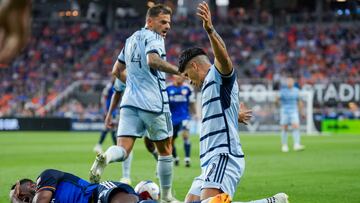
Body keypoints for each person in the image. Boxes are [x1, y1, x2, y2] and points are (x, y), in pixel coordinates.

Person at [178, 2, 288, 203]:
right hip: (209, 159)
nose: (188, 80)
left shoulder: (216, 75)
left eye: (187, 74)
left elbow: (225, 59)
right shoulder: (209, 87)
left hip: (222, 154)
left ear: (194, 66)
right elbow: (223, 109)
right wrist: (233, 114)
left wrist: (210, 30)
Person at [90, 4, 181, 203]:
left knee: (123, 150)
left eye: (169, 23)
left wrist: (132, 82)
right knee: (165, 151)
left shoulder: (130, 39)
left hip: (129, 103)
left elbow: (116, 70)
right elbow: (153, 61)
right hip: (153, 103)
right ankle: (166, 196)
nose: (167, 27)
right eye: (163, 22)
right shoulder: (154, 37)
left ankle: (106, 156)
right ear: (150, 21)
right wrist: (179, 71)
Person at [104, 77, 159, 185]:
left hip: (149, 110)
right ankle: (126, 176)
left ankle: (159, 161)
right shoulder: (122, 75)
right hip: (129, 113)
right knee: (126, 145)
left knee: (150, 145)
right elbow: (116, 94)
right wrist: (109, 113)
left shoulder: (147, 71)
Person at [9, 169, 157, 203]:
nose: (19, 199)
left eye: (19, 194)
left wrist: (15, 200)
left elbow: (41, 200)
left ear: (31, 185)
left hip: (97, 193)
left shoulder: (46, 176)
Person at [166, 75, 196, 167]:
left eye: (182, 77)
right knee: (171, 140)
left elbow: (192, 102)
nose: (181, 78)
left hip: (184, 116)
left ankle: (187, 159)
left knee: (185, 135)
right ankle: (175, 158)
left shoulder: (187, 88)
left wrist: (195, 114)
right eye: (179, 76)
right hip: (172, 117)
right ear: (174, 77)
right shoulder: (168, 88)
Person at [277, 76, 305, 152]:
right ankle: (284, 145)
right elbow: (277, 100)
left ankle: (296, 144)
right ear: (286, 83)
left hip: (294, 111)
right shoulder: (282, 91)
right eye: (288, 81)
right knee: (284, 128)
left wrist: (302, 112)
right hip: (285, 111)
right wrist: (277, 101)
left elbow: (299, 102)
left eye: (291, 81)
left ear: (293, 82)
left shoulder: (296, 90)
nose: (289, 83)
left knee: (296, 126)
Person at [93, 79, 117, 154]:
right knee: (110, 127)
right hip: (109, 110)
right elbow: (103, 98)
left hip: (113, 110)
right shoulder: (109, 86)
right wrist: (105, 110)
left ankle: (100, 145)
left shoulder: (116, 86)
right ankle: (99, 145)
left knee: (110, 128)